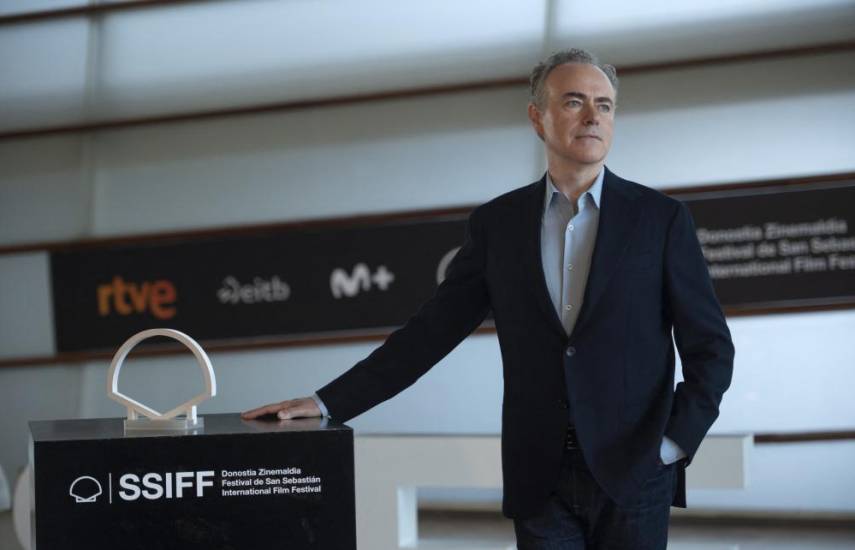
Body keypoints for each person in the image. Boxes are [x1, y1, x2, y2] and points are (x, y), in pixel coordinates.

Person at [243, 48, 735, 549]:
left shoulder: (661, 220)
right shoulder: (498, 225)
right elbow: (429, 334)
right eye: (573, 102)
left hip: (635, 474)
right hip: (538, 475)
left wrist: (672, 444)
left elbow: (711, 349)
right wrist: (328, 402)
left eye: (604, 105)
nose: (592, 116)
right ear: (537, 118)